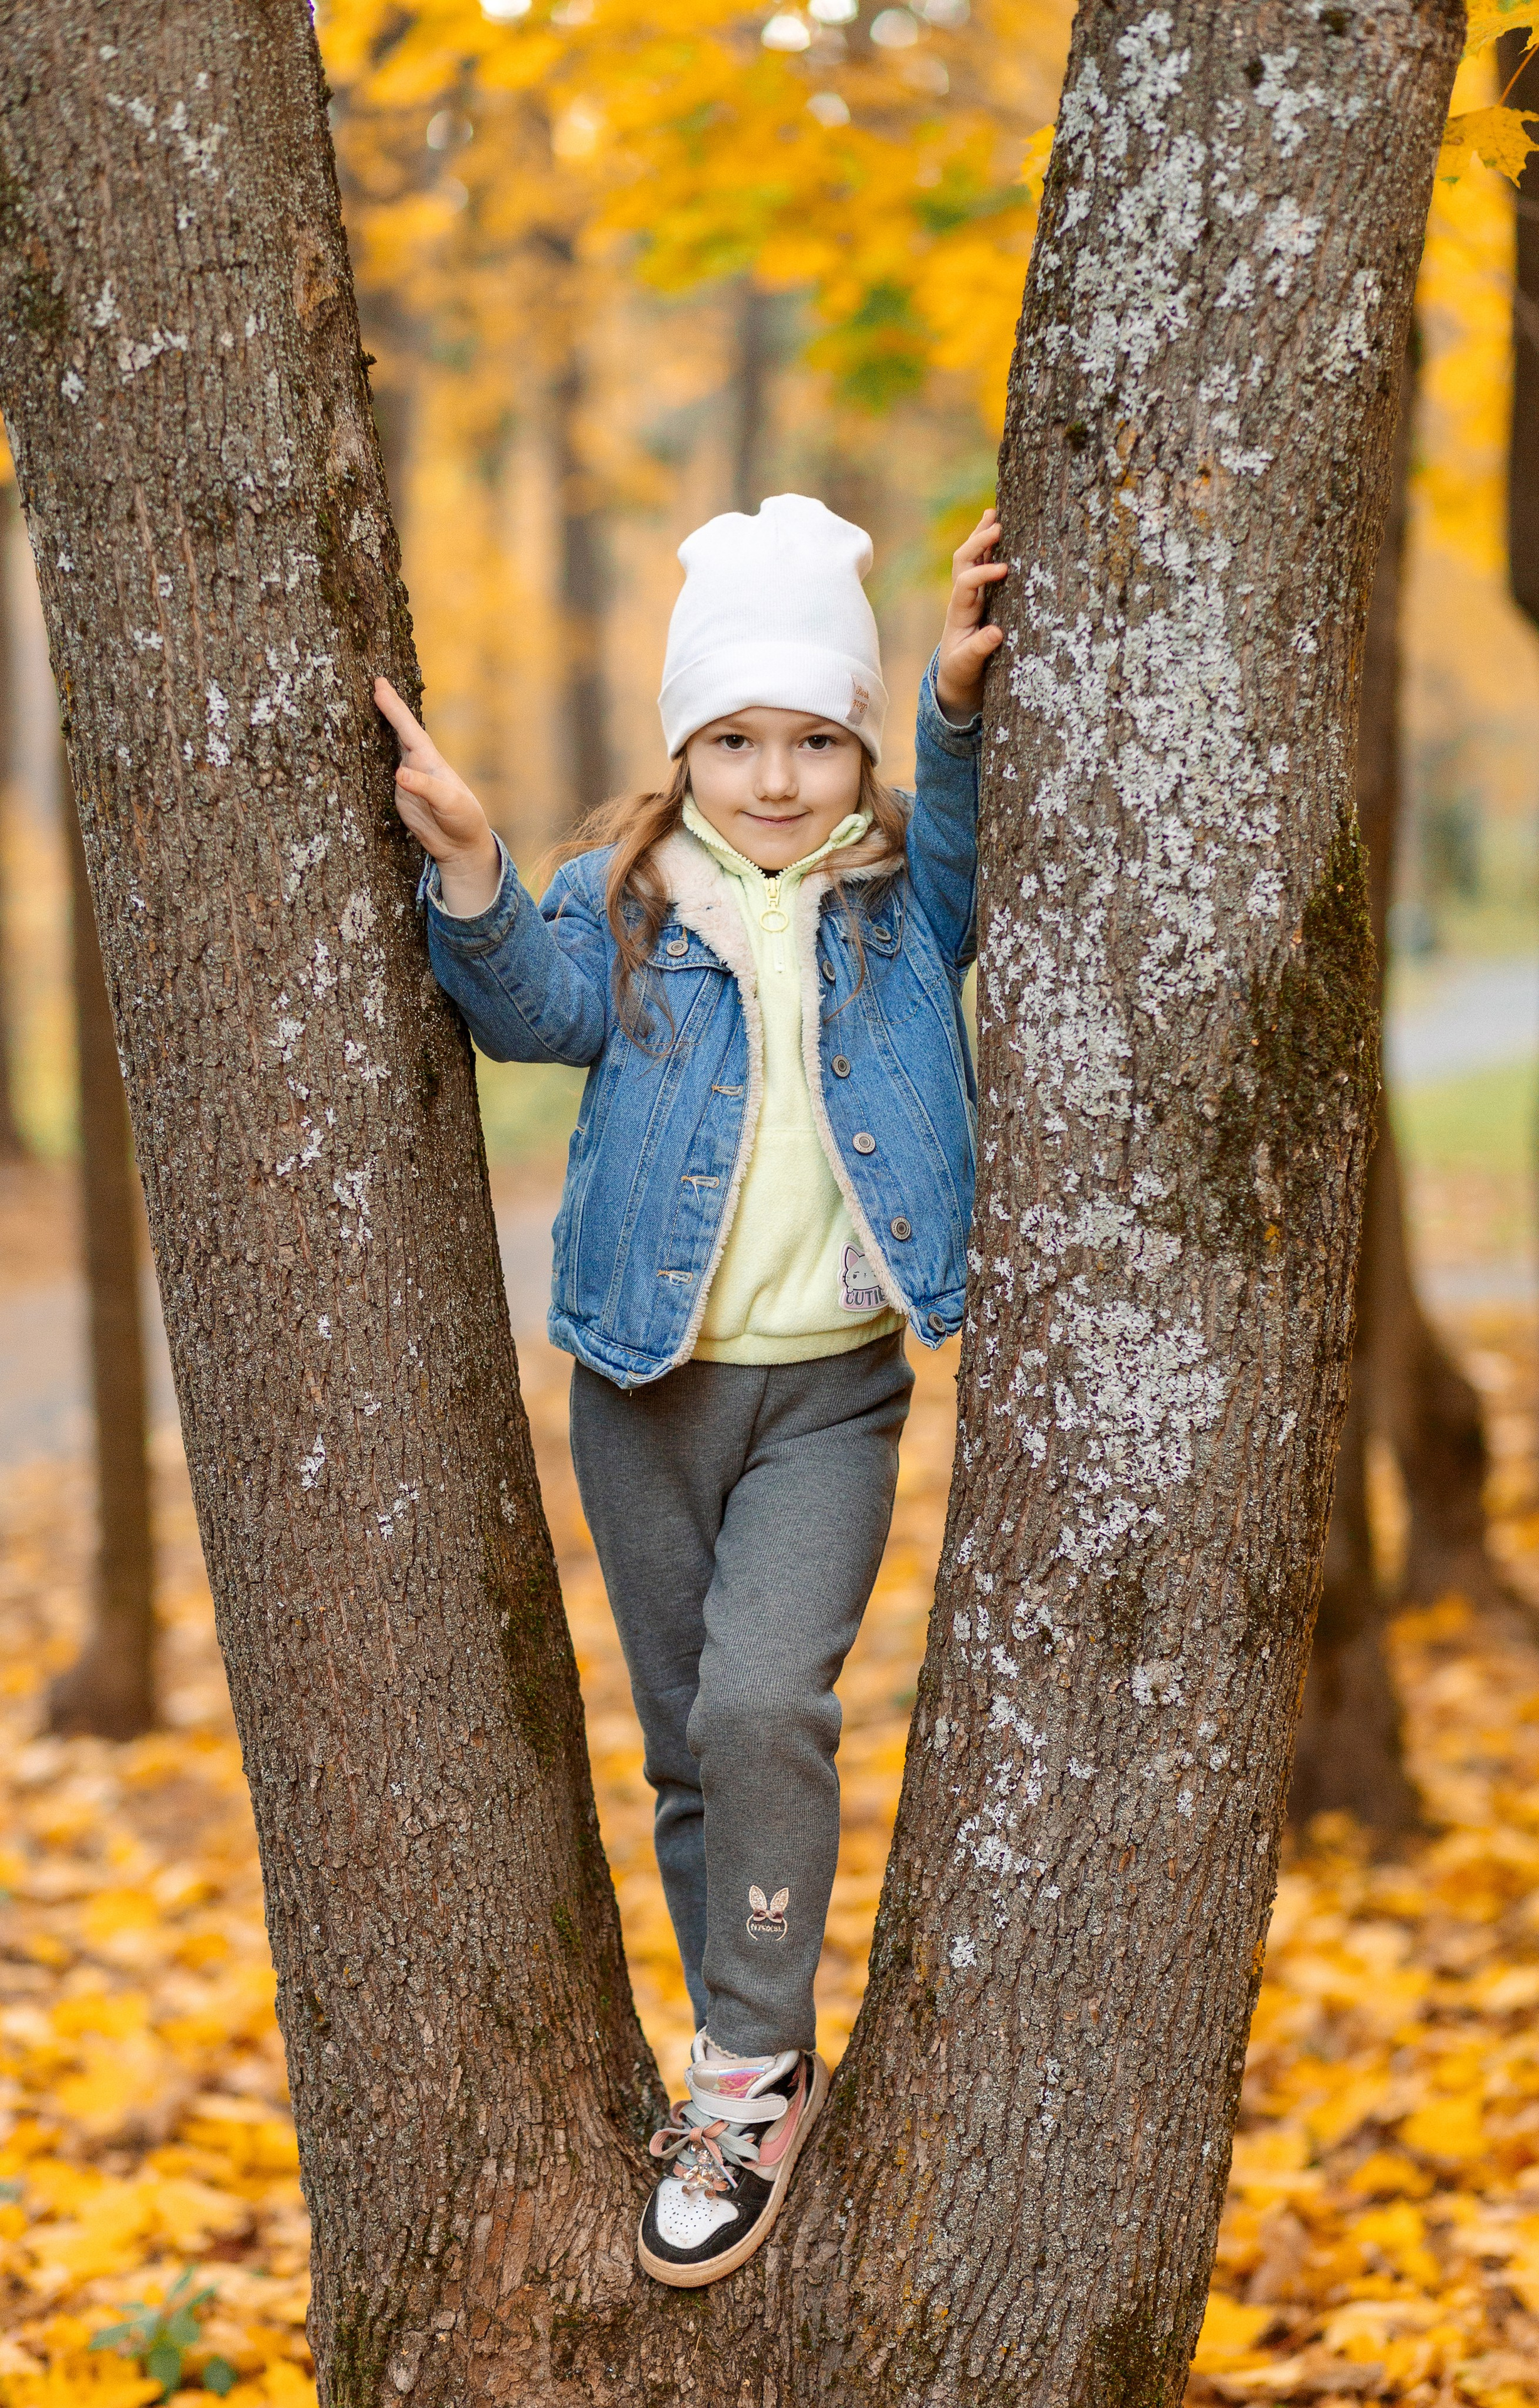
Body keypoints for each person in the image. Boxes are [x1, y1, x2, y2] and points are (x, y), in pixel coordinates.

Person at [374, 493, 1006, 2288]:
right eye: (739, 737)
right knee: (680, 1746)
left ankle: (737, 2079)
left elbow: (954, 829)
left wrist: (955, 706)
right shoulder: (632, 897)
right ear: (685, 744)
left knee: (758, 1700)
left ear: (859, 747)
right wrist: (478, 866)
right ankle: (760, 2040)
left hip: (828, 1398)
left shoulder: (896, 897)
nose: (781, 776)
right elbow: (531, 1007)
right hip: (642, 1392)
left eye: (818, 737)